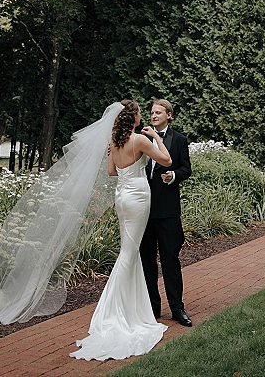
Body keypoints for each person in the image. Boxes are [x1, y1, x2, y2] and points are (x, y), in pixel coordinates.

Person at [71, 99, 172, 360]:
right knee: (128, 253)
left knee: (129, 249)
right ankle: (113, 310)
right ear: (133, 118)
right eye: (140, 113)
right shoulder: (139, 139)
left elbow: (112, 172)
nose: (142, 117)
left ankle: (130, 307)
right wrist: (156, 138)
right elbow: (167, 160)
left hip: (121, 197)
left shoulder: (115, 142)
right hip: (138, 196)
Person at [139, 98, 193, 327]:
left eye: (158, 112)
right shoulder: (140, 138)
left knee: (170, 258)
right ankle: (152, 307)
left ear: (169, 115)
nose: (153, 115)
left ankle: (177, 308)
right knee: (147, 260)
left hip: (168, 210)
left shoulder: (179, 140)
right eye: (151, 112)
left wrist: (173, 176)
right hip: (142, 208)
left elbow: (186, 169)